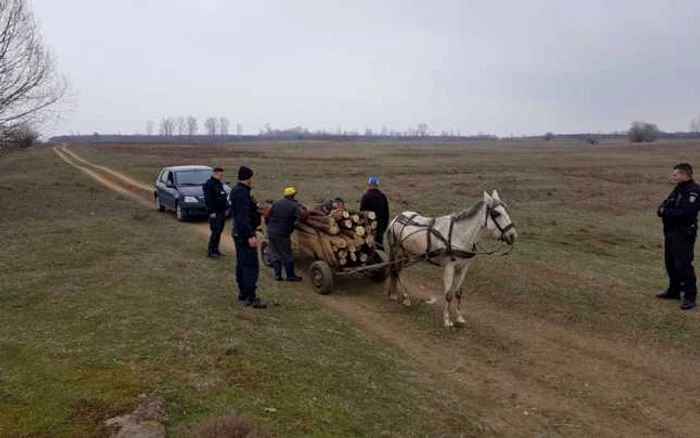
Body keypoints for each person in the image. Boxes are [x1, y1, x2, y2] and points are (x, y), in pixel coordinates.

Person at [657, 163, 700, 310]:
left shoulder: (693, 191)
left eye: (676, 174)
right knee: (670, 262)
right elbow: (664, 205)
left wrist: (665, 212)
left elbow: (685, 213)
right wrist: (663, 210)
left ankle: (690, 296)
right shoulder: (678, 189)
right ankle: (674, 291)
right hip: (671, 231)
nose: (673, 177)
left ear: (685, 174)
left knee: (683, 264)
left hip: (684, 233)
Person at [229, 165, 266, 308]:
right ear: (248, 178)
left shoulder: (237, 191)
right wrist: (251, 235)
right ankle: (251, 297)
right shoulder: (242, 193)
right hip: (244, 234)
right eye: (251, 177)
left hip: (239, 232)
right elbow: (243, 218)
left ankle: (243, 292)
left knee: (242, 263)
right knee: (250, 265)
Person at [264, 187, 309, 281]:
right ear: (293, 195)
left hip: (271, 231)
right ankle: (290, 276)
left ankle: (278, 276)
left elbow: (267, 215)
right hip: (282, 233)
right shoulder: (294, 205)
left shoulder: (277, 203)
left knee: (275, 253)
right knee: (286, 254)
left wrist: (269, 225)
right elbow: (304, 215)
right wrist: (299, 220)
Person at [202, 166, 228, 258]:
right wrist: (211, 212)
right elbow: (208, 200)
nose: (222, 176)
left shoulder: (219, 184)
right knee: (215, 231)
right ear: (215, 174)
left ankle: (216, 250)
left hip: (221, 211)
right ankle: (211, 251)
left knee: (219, 231)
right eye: (221, 175)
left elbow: (222, 196)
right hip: (215, 212)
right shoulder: (209, 185)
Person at [360, 176, 390, 249]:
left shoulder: (366, 196)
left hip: (368, 225)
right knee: (379, 243)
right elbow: (386, 213)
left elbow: (361, 212)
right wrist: (384, 227)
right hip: (380, 225)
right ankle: (381, 258)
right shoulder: (382, 196)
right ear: (377, 185)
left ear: (369, 185)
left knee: (368, 244)